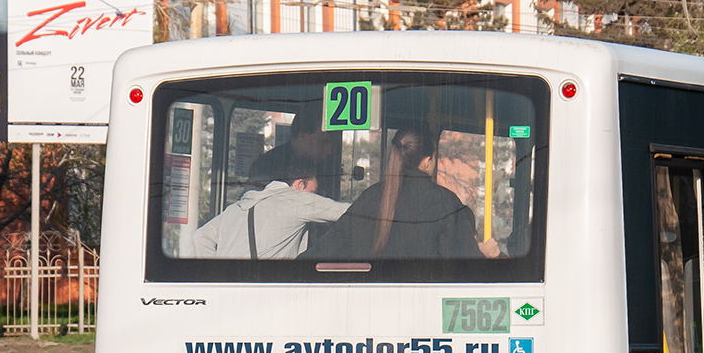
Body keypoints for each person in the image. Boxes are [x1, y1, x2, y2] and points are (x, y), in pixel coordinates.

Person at [304, 124, 500, 261]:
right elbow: (462, 266)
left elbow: (326, 250)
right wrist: (482, 255)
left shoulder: (370, 198)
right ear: (427, 161)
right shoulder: (445, 203)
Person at [193, 146, 347, 259]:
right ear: (299, 184)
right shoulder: (295, 200)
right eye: (313, 192)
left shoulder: (235, 209)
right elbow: (346, 211)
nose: (315, 197)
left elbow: (200, 236)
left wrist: (217, 275)